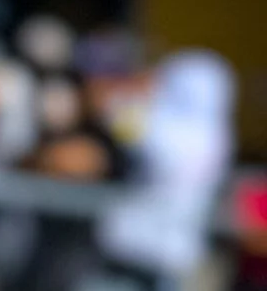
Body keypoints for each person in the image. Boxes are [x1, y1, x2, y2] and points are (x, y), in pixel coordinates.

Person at [97, 50, 235, 291]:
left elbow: (111, 111)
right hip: (174, 248)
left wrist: (135, 88)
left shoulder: (165, 127)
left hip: (137, 244)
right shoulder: (217, 134)